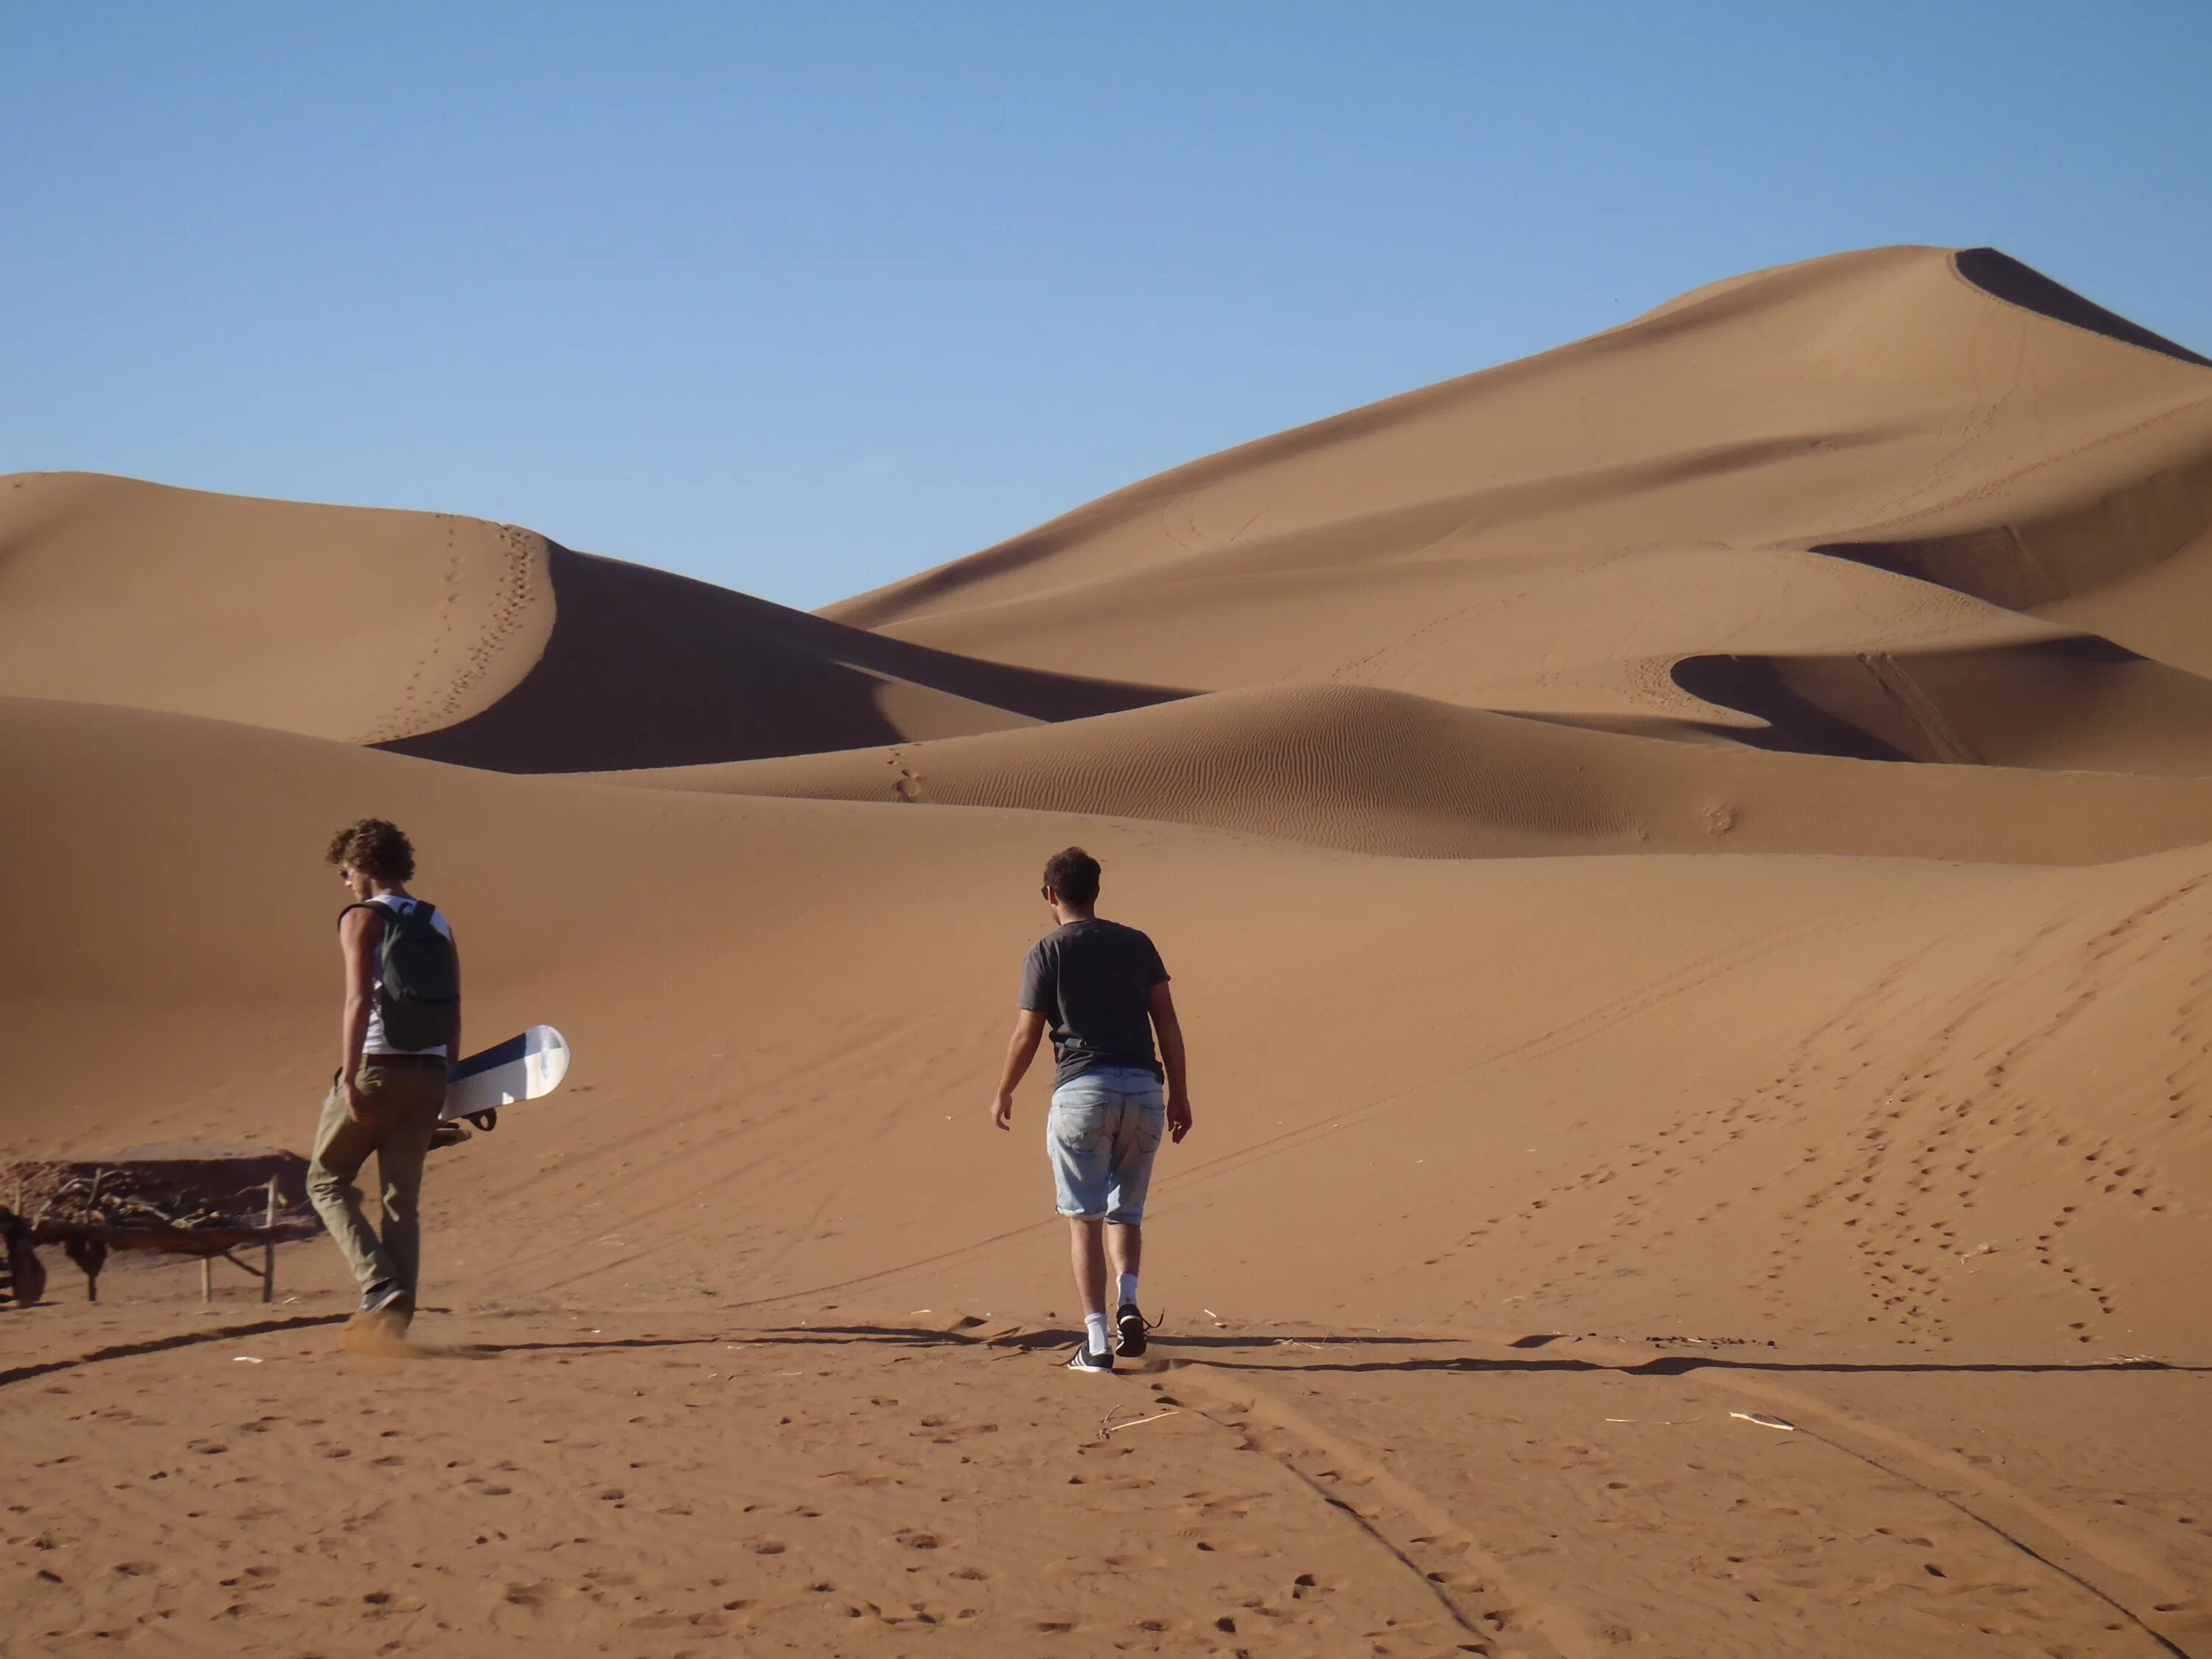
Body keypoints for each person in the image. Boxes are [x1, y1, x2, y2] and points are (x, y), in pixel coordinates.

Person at [991, 847, 1191, 1373]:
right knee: (1127, 1212)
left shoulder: (1046, 951)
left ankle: (1097, 1341)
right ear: (1096, 891)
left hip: (1083, 1092)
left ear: (1051, 895)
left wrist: (1005, 1089)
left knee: (1085, 1220)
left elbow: (1027, 1032)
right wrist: (1182, 1094)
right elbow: (1167, 1022)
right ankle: (1128, 1302)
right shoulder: (1137, 943)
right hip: (1145, 1090)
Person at [307, 818, 461, 1325]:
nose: (346, 881)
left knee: (326, 1181)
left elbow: (356, 1001)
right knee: (402, 1201)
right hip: (430, 1074)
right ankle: (395, 1326)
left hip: (378, 1068)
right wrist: (447, 1084)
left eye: (346, 871)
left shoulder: (361, 918)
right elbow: (454, 1007)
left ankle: (378, 1284)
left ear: (366, 867)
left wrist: (349, 1079)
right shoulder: (437, 921)